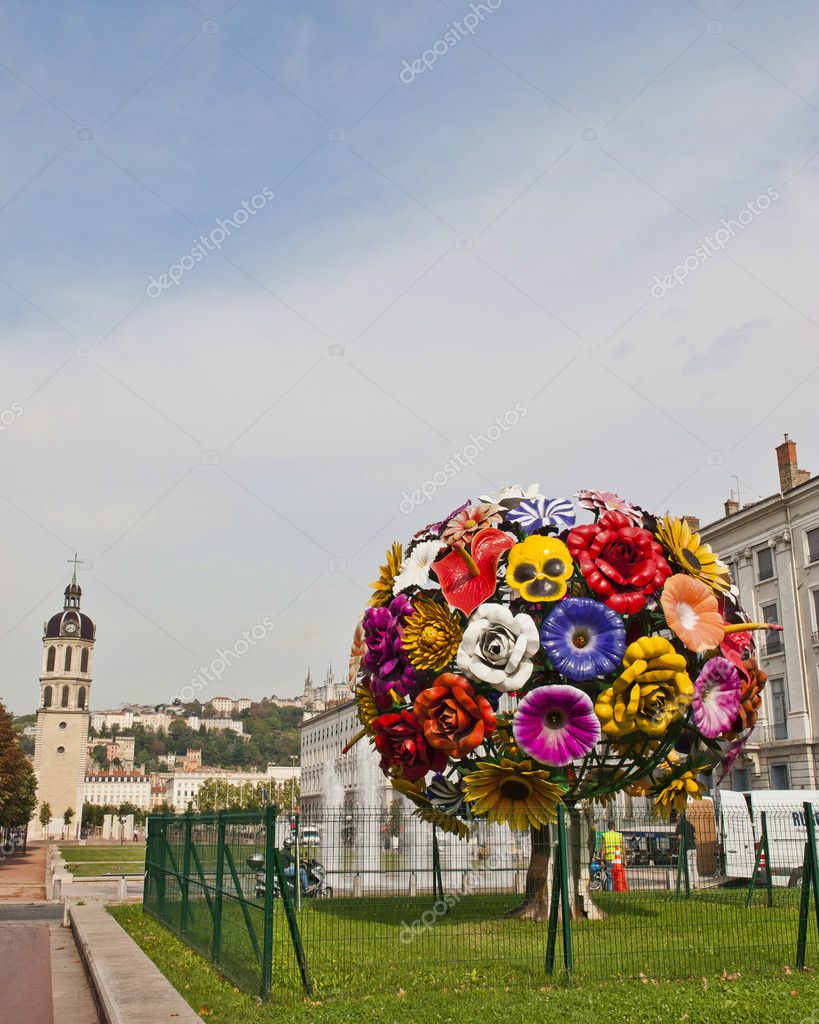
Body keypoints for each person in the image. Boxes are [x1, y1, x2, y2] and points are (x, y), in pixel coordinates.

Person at [600, 819, 624, 892]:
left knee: (609, 878)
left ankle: (610, 893)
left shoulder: (605, 835)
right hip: (618, 860)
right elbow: (623, 848)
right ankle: (618, 891)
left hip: (609, 859)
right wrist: (624, 859)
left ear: (608, 827)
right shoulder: (619, 835)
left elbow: (603, 848)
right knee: (618, 877)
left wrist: (601, 860)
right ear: (614, 827)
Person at [676, 814, 698, 889]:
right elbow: (696, 836)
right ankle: (696, 883)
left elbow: (679, 837)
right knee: (694, 866)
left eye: (677, 816)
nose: (676, 818)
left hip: (686, 848)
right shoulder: (691, 825)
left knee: (688, 867)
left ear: (680, 818)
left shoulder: (680, 825)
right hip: (694, 848)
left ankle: (690, 884)